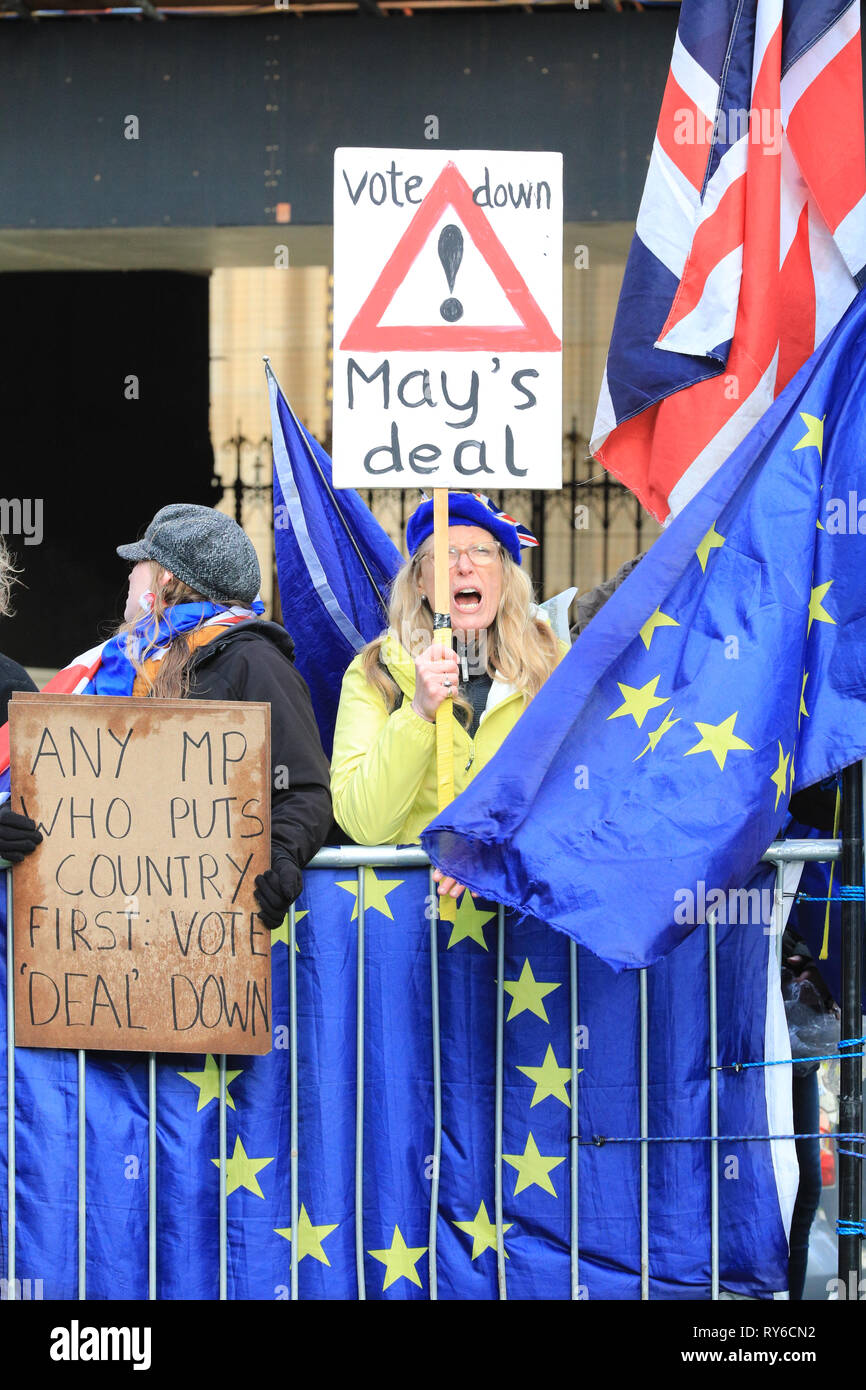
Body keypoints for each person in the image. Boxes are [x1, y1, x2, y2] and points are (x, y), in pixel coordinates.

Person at [0, 504, 332, 925]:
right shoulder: (112, 665)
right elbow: (49, 778)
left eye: (139, 562)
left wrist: (279, 855)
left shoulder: (254, 662)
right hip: (100, 914)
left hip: (201, 921)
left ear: (165, 578)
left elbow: (302, 787)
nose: (128, 573)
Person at [330, 492, 568, 894]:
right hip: (410, 920)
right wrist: (418, 714)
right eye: (445, 553)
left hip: (523, 917)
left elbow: (583, 791)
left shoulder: (553, 664)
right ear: (420, 580)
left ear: (505, 575)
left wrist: (497, 847)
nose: (464, 565)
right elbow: (363, 824)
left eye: (481, 551)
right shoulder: (375, 672)